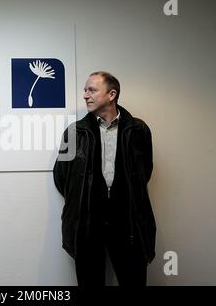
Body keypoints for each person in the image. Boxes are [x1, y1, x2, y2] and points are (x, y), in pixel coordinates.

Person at [53, 71, 156, 287]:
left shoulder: (139, 130)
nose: (85, 95)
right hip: (88, 221)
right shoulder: (74, 132)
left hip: (128, 221)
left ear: (112, 94)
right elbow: (61, 176)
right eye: (85, 90)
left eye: (92, 90)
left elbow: (144, 171)